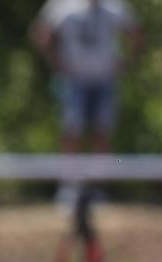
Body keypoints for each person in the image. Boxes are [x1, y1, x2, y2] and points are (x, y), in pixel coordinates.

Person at [30, 0, 143, 154]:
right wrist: (55, 62)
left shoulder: (115, 6)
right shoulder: (62, 5)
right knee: (71, 130)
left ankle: (100, 176)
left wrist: (127, 63)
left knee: (103, 131)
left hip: (105, 78)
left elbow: (136, 34)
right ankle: (71, 177)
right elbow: (40, 33)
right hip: (74, 79)